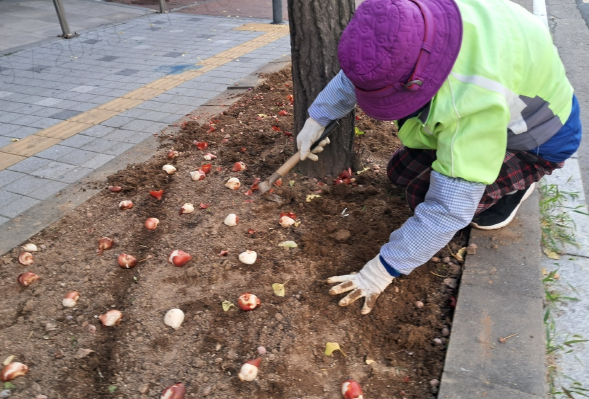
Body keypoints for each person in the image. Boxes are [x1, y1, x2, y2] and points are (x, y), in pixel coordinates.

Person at [296, 0, 582, 314]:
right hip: (508, 87)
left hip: (535, 140)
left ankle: (516, 186)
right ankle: (487, 174)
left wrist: (382, 269)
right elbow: (369, 65)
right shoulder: (414, 22)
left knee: (425, 198)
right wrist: (319, 118)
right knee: (399, 173)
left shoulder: (473, 102)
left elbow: (447, 211)